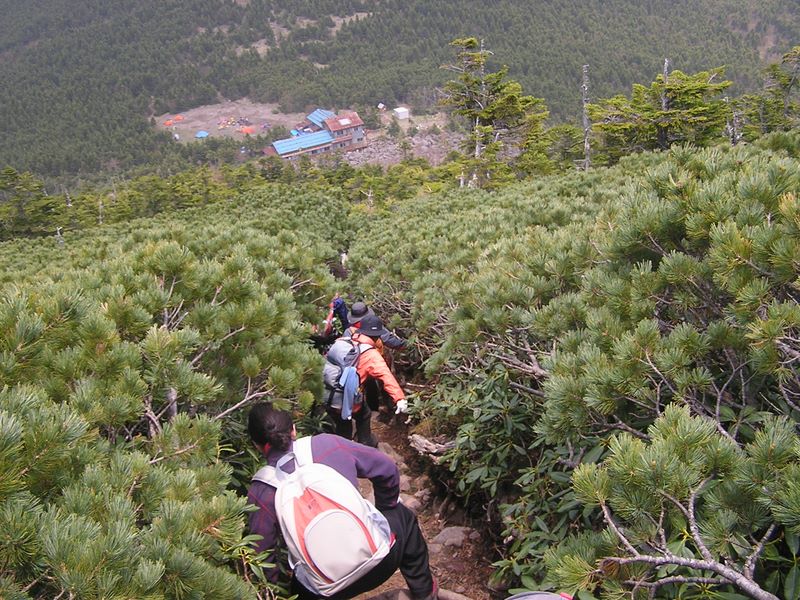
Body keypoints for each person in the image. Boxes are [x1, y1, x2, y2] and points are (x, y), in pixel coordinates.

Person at [246, 403, 438, 600]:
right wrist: (384, 509)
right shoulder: (326, 445)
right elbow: (387, 468)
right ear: (293, 429)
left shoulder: (261, 490)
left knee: (298, 584)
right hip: (380, 561)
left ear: (256, 444)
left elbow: (262, 554)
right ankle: (424, 592)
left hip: (327, 591)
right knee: (403, 517)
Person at [323, 314, 408, 447]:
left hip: (329, 396)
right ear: (376, 335)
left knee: (343, 424)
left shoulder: (343, 341)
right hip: (348, 401)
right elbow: (386, 376)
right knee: (364, 415)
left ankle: (342, 448)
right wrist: (399, 398)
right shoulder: (370, 354)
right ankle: (364, 443)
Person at [346, 302, 407, 415]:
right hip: (375, 362)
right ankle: (386, 409)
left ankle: (371, 410)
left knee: (368, 388)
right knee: (384, 382)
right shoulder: (374, 327)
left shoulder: (348, 332)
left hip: (357, 370)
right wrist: (405, 345)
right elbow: (389, 340)